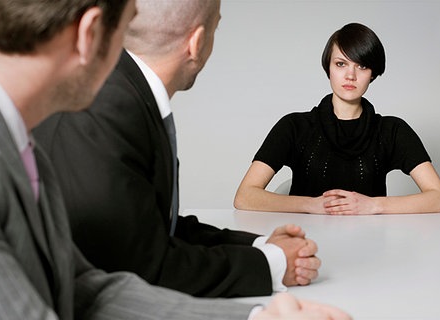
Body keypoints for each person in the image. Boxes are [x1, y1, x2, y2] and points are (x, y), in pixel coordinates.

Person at [0, 1, 351, 319]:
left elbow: (84, 288)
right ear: (91, 34)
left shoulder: (16, 138)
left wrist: (258, 319)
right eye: (127, 27)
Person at [34, 0, 321, 298]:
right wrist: (273, 263)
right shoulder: (110, 109)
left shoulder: (120, 91)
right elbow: (147, 268)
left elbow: (151, 227)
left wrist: (261, 245)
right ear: (196, 42)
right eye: (216, 27)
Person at [234, 22, 440, 216]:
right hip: (305, 244)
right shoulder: (294, 126)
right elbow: (245, 197)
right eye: (341, 64)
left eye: (362, 66)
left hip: (371, 245)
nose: (351, 75)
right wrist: (312, 205)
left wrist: (373, 206)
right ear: (328, 68)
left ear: (373, 74)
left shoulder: (391, 130)